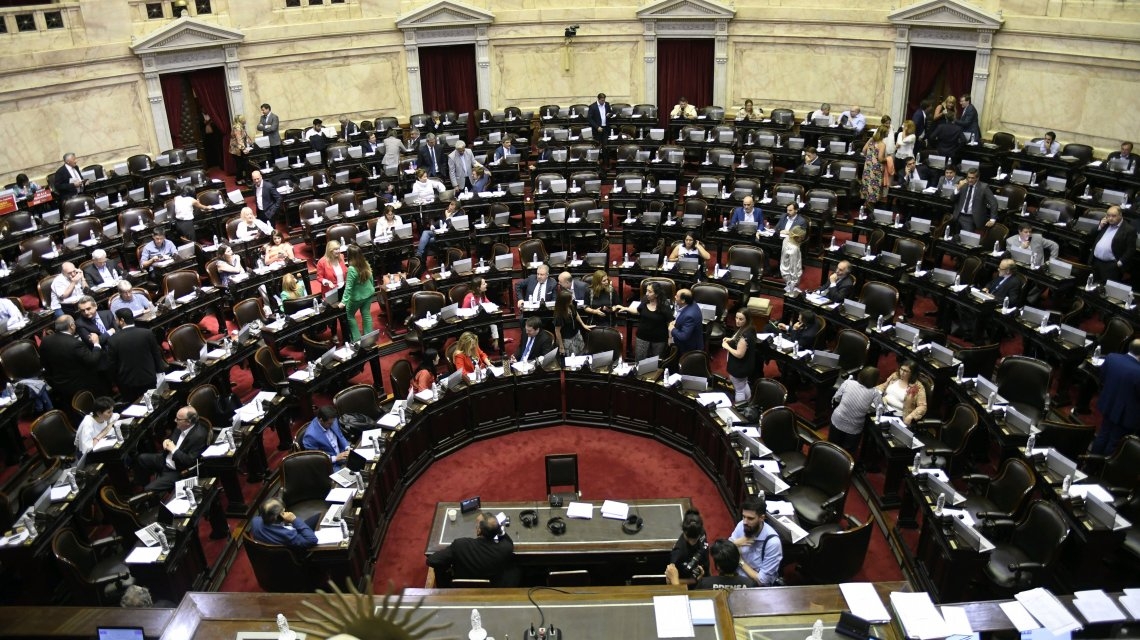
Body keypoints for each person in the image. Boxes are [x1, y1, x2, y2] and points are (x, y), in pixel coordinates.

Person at [426, 510, 518, 587]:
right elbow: (508, 541)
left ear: (478, 531)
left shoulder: (460, 545)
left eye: (477, 525)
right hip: (491, 587)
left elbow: (431, 560)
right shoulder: (505, 548)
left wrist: (449, 566)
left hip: (461, 587)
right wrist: (498, 529)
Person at [40, 315, 109, 412]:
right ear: (72, 326)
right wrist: (96, 344)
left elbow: (45, 364)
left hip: (60, 385)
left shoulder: (46, 341)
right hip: (83, 385)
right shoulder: (74, 344)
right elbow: (92, 360)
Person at [133, 406, 208, 492]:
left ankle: (148, 497)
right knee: (141, 458)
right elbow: (172, 440)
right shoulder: (181, 426)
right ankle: (141, 486)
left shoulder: (199, 436)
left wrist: (174, 450)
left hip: (177, 470)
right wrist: (166, 441)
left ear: (188, 422)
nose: (175, 420)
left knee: (149, 489)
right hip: (165, 459)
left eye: (178, 419)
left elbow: (189, 461)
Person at [1091, 339, 1140, 455]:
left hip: (1108, 404)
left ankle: (1091, 461)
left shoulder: (1112, 358)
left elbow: (1102, 378)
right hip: (1126, 414)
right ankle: (1104, 465)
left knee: (1102, 434)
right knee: (1115, 442)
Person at [107, 308, 165, 402]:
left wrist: (116, 383)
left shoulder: (113, 340)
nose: (115, 321)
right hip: (149, 377)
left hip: (128, 384)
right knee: (155, 402)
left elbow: (112, 365)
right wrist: (160, 373)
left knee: (135, 407)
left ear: (122, 320)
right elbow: (156, 354)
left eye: (116, 319)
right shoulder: (147, 333)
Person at [730, 495, 782, 587]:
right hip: (734, 577)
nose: (745, 522)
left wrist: (740, 561)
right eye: (743, 517)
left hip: (754, 586)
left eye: (750, 518)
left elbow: (763, 581)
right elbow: (726, 549)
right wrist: (735, 544)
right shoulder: (742, 525)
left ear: (762, 518)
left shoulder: (773, 543)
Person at [830, 366, 882, 457]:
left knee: (831, 446)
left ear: (860, 375)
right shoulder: (875, 393)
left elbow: (836, 398)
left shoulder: (848, 383)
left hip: (837, 420)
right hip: (854, 428)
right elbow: (880, 410)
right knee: (847, 454)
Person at [614, 281, 672, 361]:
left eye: (650, 292)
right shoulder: (645, 300)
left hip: (659, 339)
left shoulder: (664, 305)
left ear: (657, 294)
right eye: (646, 291)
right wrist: (626, 308)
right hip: (642, 336)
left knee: (655, 362)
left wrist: (670, 337)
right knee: (640, 361)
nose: (647, 293)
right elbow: (638, 311)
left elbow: (670, 322)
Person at [250, 498, 319, 550]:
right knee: (319, 516)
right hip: (294, 552)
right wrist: (294, 520)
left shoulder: (255, 521)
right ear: (278, 516)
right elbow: (312, 540)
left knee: (318, 516)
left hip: (271, 542)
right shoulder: (288, 534)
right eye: (283, 511)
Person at [1089, 206, 1135, 283]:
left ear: (1120, 215)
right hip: (1096, 262)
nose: (1110, 218)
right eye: (1108, 215)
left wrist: (1119, 263)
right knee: (1092, 286)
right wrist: (1100, 226)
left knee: (1105, 288)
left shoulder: (1129, 230)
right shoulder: (1105, 224)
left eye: (1113, 216)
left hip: (1111, 266)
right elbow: (1090, 235)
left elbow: (1131, 250)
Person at [340, 244, 375, 341]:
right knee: (366, 314)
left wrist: (343, 302)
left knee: (349, 315)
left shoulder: (352, 269)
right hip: (369, 293)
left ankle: (357, 340)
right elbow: (371, 277)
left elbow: (348, 287)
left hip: (357, 298)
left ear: (349, 255)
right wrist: (371, 288)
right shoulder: (365, 263)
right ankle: (369, 339)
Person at [666, 508, 710, 586]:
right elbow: (669, 581)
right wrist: (694, 581)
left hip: (704, 573)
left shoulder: (701, 531)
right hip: (689, 585)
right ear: (684, 531)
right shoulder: (677, 553)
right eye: (689, 538)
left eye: (695, 539)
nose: (692, 542)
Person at [875, 360, 927, 425]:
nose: (902, 373)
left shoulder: (918, 387)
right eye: (901, 369)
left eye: (906, 371)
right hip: (882, 407)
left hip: (897, 416)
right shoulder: (895, 376)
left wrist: (910, 416)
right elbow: (883, 386)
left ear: (912, 373)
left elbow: (922, 406)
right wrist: (875, 392)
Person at [301, 405, 352, 470]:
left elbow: (340, 435)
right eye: (329, 424)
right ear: (321, 420)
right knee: (347, 476)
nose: (332, 424)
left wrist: (347, 447)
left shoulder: (332, 419)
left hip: (342, 453)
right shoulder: (310, 436)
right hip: (330, 465)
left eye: (333, 422)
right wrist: (336, 458)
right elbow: (315, 459)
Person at [723, 310, 757, 403]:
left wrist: (727, 347)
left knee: (739, 390)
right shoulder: (749, 329)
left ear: (747, 320)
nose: (737, 321)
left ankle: (740, 409)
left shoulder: (744, 335)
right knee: (744, 384)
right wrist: (731, 339)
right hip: (746, 365)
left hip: (739, 367)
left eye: (741, 319)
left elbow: (739, 354)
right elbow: (738, 341)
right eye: (736, 318)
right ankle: (748, 403)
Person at [953, 168, 998, 232]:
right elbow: (952, 199)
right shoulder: (962, 184)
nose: (970, 180)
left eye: (972, 178)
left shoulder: (983, 187)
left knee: (965, 236)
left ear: (977, 178)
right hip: (957, 215)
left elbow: (993, 202)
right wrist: (958, 188)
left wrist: (992, 219)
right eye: (968, 177)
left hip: (971, 217)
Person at [463, 276, 500, 350]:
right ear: (478, 288)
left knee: (493, 320)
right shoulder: (469, 297)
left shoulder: (482, 294)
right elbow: (464, 311)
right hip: (472, 321)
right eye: (484, 284)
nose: (486, 284)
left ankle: (496, 341)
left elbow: (489, 304)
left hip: (482, 319)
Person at [553, 290, 591, 357]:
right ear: (564, 301)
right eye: (570, 299)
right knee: (572, 358)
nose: (572, 299)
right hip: (567, 339)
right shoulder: (559, 315)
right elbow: (557, 331)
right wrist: (561, 346)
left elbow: (575, 314)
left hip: (576, 334)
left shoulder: (570, 305)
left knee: (581, 354)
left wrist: (583, 324)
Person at [860, 125, 887, 212]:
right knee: (873, 187)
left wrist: (870, 157)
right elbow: (880, 158)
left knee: (867, 186)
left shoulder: (871, 140)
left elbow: (863, 150)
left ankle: (865, 206)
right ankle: (869, 209)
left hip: (868, 166)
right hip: (876, 168)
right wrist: (887, 159)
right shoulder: (882, 144)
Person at [669, 288, 703, 354]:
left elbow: (683, 336)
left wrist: (672, 329)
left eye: (677, 296)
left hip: (688, 349)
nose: (675, 297)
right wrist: (677, 321)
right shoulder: (691, 303)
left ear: (683, 301)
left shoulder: (690, 316)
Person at [780, 226, 806, 292]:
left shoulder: (786, 239)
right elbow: (793, 267)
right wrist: (794, 281)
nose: (803, 239)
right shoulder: (794, 249)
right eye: (802, 237)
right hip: (790, 276)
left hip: (784, 269)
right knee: (792, 292)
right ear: (797, 237)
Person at [229, 115, 253, 185]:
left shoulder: (241, 126)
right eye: (244, 119)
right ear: (241, 120)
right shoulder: (237, 128)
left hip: (239, 149)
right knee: (239, 165)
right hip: (236, 150)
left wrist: (251, 143)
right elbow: (239, 139)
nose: (245, 120)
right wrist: (243, 149)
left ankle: (242, 178)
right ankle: (238, 179)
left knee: (242, 164)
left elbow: (246, 136)